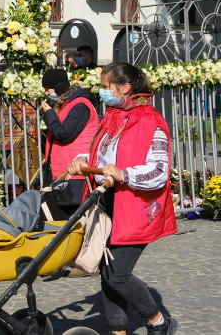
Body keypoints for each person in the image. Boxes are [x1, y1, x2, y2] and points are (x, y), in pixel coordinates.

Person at [67, 62, 177, 335]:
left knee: (118, 273)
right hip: (107, 203)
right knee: (107, 268)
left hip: (136, 208)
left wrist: (124, 174)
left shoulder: (151, 122)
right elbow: (103, 157)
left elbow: (159, 172)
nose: (102, 91)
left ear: (125, 87)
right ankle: (117, 330)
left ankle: (157, 320)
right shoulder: (112, 118)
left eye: (106, 87)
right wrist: (82, 160)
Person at [40, 68, 99, 213]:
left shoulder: (80, 105)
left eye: (48, 89)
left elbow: (64, 134)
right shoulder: (68, 104)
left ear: (58, 87)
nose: (46, 93)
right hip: (65, 170)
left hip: (75, 172)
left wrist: (49, 115)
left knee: (71, 215)